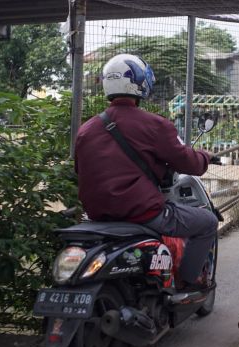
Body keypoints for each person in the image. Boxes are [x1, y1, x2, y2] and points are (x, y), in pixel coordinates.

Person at [74, 54, 218, 292]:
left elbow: (80, 170)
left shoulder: (86, 129)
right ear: (141, 82)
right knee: (207, 222)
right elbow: (187, 162)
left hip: (97, 214)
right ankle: (187, 281)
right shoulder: (155, 124)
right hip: (142, 213)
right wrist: (204, 156)